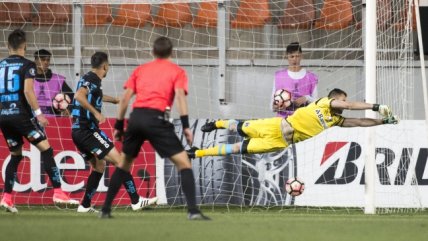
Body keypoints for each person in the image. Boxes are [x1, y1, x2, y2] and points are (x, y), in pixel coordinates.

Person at [100, 36, 210, 220]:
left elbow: (125, 98)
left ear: (153, 52)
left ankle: (105, 210)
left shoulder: (141, 70)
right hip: (156, 119)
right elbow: (181, 99)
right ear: (171, 52)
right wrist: (185, 127)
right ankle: (193, 211)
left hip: (135, 119)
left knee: (124, 164)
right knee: (184, 163)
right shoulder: (177, 71)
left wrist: (119, 125)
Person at [188, 88, 399, 158]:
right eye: (343, 99)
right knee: (238, 126)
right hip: (276, 126)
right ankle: (217, 124)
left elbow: (360, 122)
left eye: (344, 101)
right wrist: (375, 105)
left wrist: (383, 121)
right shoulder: (325, 103)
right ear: (335, 98)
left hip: (280, 142)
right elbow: (353, 106)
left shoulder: (336, 120)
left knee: (235, 149)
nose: (344, 103)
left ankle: (197, 153)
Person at [0, 29, 78, 213]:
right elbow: (28, 91)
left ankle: (7, 197)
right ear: (25, 47)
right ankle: (58, 192)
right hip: (22, 115)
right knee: (47, 149)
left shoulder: (1, 65)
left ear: (7, 46)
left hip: (3, 115)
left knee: (16, 155)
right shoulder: (28, 65)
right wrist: (38, 114)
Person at [71, 52, 157, 213]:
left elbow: (96, 95)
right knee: (120, 161)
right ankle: (136, 201)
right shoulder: (93, 79)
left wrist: (115, 100)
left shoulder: (87, 78)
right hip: (87, 130)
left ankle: (85, 205)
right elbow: (79, 96)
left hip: (77, 131)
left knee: (99, 166)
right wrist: (96, 113)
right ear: (105, 65)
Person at [272, 42, 318, 118]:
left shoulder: (311, 77)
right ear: (287, 56)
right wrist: (277, 107)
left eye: (297, 56)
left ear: (301, 56)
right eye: (292, 56)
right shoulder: (279, 76)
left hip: (304, 119)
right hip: (283, 120)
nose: (294, 59)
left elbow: (317, 102)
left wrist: (306, 98)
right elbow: (272, 106)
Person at [33, 49, 73, 116]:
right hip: (32, 120)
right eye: (43, 59)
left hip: (54, 120)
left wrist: (68, 108)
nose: (46, 62)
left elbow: (71, 96)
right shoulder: (28, 79)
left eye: (48, 60)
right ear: (35, 61)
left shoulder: (58, 79)